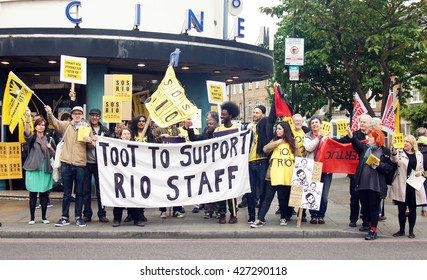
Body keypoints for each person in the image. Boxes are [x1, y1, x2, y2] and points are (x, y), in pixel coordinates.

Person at [45, 103, 94, 227]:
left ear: (82, 116)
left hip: (80, 164)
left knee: (79, 192)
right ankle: (65, 216)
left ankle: (78, 217)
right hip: (66, 163)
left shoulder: (87, 127)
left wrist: (90, 141)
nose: (77, 115)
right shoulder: (67, 126)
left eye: (79, 113)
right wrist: (50, 113)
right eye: (75, 113)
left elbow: (93, 145)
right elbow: (55, 123)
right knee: (66, 193)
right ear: (72, 115)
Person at [251, 122, 301, 228]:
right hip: (273, 175)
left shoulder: (292, 142)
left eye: (279, 129)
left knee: (283, 198)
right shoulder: (275, 141)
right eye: (277, 128)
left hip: (286, 176)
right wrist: (278, 142)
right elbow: (265, 149)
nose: (277, 131)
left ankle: (283, 217)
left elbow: (300, 158)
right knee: (267, 198)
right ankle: (260, 218)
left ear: (285, 130)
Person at [347, 127, 393, 240]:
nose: (368, 138)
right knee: (365, 206)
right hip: (363, 182)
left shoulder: (385, 151)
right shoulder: (365, 148)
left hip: (376, 184)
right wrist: (351, 136)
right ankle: (368, 223)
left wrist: (379, 165)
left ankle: (373, 230)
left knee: (373, 207)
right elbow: (356, 144)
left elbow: (389, 167)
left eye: (371, 137)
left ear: (377, 139)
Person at [335, 114, 372, 227]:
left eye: (364, 122)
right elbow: (341, 142)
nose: (362, 124)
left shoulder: (373, 135)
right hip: (354, 170)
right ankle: (353, 219)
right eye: (361, 122)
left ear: (370, 124)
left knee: (367, 197)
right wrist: (328, 139)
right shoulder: (354, 134)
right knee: (354, 195)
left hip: (369, 171)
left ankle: (366, 220)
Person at [184, 112, 220, 219]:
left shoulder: (221, 132)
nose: (208, 125)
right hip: (207, 165)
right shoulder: (206, 132)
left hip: (218, 164)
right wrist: (190, 129)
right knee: (208, 188)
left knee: (218, 188)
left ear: (216, 123)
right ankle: (209, 210)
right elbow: (195, 139)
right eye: (207, 123)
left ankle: (218, 210)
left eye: (211, 123)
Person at [390, 134, 426, 239]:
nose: (405, 143)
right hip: (401, 184)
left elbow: (422, 168)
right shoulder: (400, 153)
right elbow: (394, 159)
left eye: (407, 142)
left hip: (413, 184)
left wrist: (421, 173)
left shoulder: (419, 154)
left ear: (412, 144)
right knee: (401, 209)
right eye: (404, 141)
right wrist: (393, 149)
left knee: (413, 209)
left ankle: (411, 231)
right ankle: (401, 230)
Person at [23, 111, 56, 225]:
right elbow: (27, 132)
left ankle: (44, 217)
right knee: (33, 194)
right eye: (39, 124)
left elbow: (55, 155)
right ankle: (32, 218)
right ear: (35, 126)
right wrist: (28, 120)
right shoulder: (32, 138)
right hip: (33, 168)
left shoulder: (49, 139)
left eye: (43, 125)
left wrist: (51, 148)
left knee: (44, 194)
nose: (41, 127)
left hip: (45, 169)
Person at [123, 114, 155, 223]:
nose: (141, 123)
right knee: (131, 189)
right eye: (139, 121)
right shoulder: (131, 134)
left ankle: (141, 213)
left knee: (142, 190)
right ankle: (130, 213)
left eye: (143, 121)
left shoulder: (149, 135)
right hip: (131, 166)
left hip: (144, 166)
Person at [112, 127, 145, 227]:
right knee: (118, 197)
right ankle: (116, 219)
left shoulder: (135, 145)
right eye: (124, 134)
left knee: (133, 197)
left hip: (132, 176)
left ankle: (136, 219)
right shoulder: (115, 146)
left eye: (128, 134)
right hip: (119, 175)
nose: (127, 136)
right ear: (120, 136)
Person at [245, 105, 274, 224]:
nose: (254, 114)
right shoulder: (249, 128)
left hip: (262, 162)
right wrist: (247, 130)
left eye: (257, 112)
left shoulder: (265, 123)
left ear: (263, 114)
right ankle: (251, 216)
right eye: (253, 112)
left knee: (262, 191)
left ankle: (260, 216)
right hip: (250, 163)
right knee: (250, 191)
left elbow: (272, 117)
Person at [82, 108, 111, 223]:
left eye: (96, 115)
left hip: (100, 164)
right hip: (86, 163)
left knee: (101, 190)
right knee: (86, 190)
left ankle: (102, 213)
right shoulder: (85, 128)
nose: (94, 117)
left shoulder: (105, 130)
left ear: (100, 117)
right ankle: (87, 214)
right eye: (92, 115)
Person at [214, 101, 240, 224]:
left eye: (224, 114)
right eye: (221, 114)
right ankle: (222, 213)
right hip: (221, 164)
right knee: (221, 190)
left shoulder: (237, 129)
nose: (222, 116)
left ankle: (233, 213)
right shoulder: (218, 129)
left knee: (232, 190)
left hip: (233, 163)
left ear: (230, 115)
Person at [304, 116, 332, 225]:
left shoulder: (327, 136)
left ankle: (321, 215)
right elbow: (309, 148)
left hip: (326, 168)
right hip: (313, 168)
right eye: (312, 123)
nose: (314, 124)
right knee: (313, 192)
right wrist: (317, 138)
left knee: (324, 195)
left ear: (320, 124)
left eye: (316, 122)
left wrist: (327, 138)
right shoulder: (307, 137)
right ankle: (313, 215)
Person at [154, 121, 185, 218]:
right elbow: (153, 142)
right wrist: (160, 137)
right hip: (162, 161)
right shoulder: (158, 129)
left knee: (176, 184)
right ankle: (163, 210)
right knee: (162, 185)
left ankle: (177, 209)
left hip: (174, 161)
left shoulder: (176, 129)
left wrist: (181, 137)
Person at [416, 135, 427, 216]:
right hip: (424, 176)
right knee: (425, 192)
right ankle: (424, 210)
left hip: (416, 176)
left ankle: (409, 207)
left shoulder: (417, 153)